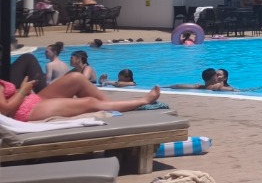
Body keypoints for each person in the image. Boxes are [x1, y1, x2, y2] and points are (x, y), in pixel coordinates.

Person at [1, 72, 161, 121]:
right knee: (89, 102)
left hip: (30, 100)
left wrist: (23, 91)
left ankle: (113, 108)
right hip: (24, 111)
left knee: (76, 78)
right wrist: (23, 91)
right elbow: (5, 110)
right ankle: (143, 100)